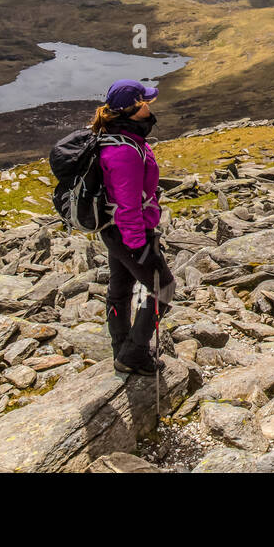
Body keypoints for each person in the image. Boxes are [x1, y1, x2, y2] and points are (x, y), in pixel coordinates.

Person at [90, 78, 175, 376]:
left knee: (121, 287)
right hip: (128, 232)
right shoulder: (124, 150)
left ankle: (122, 350)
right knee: (163, 287)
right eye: (145, 102)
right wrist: (139, 244)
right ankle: (134, 354)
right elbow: (127, 206)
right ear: (131, 109)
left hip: (117, 231)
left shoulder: (124, 138)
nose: (150, 106)